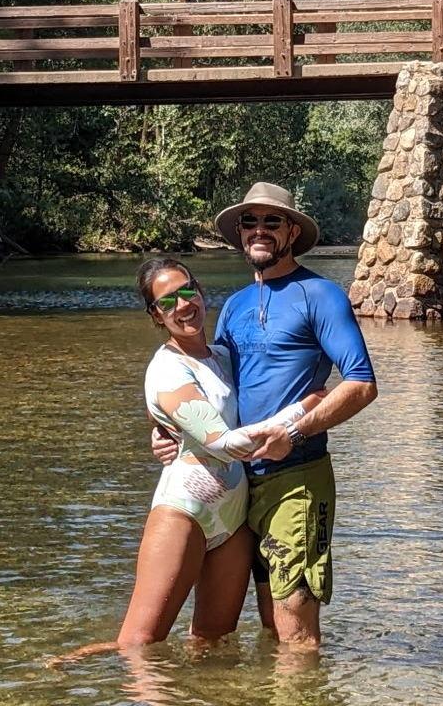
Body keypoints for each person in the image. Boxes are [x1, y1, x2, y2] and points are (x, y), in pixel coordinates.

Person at [153, 181, 378, 649]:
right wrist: (168, 430)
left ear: (292, 231)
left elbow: (361, 383)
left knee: (296, 630)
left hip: (296, 478)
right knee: (266, 627)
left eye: (271, 221)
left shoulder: (320, 295)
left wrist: (294, 432)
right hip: (236, 486)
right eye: (249, 222)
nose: (258, 230)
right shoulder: (233, 306)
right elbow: (214, 389)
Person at [72, 256, 327, 658]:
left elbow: (241, 402)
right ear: (156, 315)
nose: (183, 305)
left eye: (188, 291)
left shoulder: (225, 356)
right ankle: (77, 664)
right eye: (167, 301)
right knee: (141, 644)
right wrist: (304, 409)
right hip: (185, 512)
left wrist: (159, 430)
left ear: (201, 292)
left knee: (213, 645)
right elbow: (221, 442)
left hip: (233, 520)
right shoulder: (166, 369)